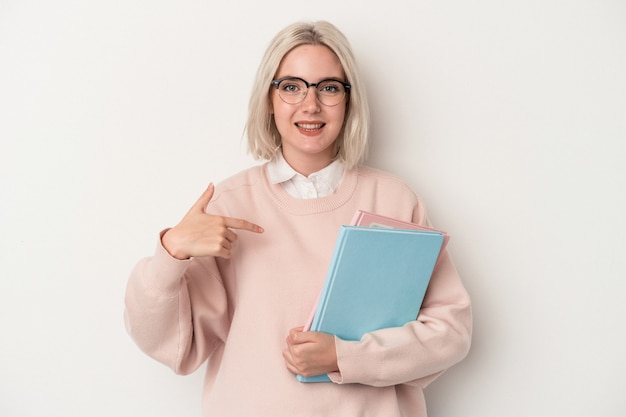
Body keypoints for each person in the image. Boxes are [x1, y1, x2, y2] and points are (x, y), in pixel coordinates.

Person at [124, 20, 472, 417]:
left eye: (328, 87)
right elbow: (168, 344)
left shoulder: (394, 199)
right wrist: (171, 253)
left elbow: (450, 332)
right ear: (269, 100)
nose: (311, 105)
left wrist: (346, 357)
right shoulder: (229, 206)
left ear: (348, 100)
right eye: (291, 87)